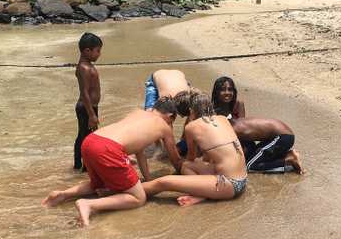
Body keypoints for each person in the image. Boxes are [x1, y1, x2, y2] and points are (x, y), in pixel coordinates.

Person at [42, 97, 183, 227]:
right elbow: (175, 159)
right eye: (172, 122)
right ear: (170, 116)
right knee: (138, 198)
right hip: (108, 148)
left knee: (99, 183)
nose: (170, 124)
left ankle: (63, 194)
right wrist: (184, 175)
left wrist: (148, 179)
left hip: (91, 140)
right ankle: (89, 204)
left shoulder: (137, 113)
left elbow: (140, 152)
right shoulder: (164, 127)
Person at [143, 92, 248, 207]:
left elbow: (191, 157)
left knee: (164, 182)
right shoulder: (223, 119)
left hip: (230, 184)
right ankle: (203, 192)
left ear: (192, 110)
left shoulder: (191, 127)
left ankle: (129, 190)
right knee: (187, 166)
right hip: (242, 179)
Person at [230, 117, 302, 174]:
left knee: (250, 166)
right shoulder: (236, 123)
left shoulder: (232, 130)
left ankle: (288, 160)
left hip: (283, 137)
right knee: (252, 158)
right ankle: (287, 155)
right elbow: (248, 144)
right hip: (279, 136)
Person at [74, 33, 102, 170]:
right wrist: (91, 114)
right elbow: (84, 92)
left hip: (89, 107)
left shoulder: (87, 65)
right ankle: (83, 166)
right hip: (86, 107)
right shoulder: (83, 68)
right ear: (87, 51)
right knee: (86, 137)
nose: (99, 54)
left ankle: (82, 165)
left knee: (86, 135)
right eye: (97, 51)